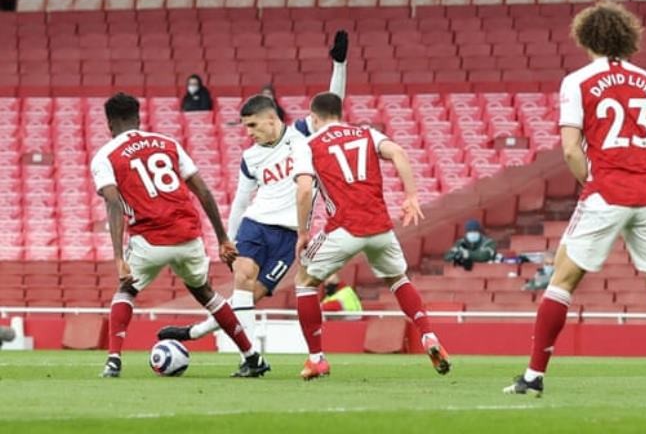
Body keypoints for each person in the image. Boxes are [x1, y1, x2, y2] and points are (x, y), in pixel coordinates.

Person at [503, 2, 646, 398]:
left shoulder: (578, 81)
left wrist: (595, 181)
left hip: (605, 192)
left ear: (585, 37)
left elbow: (571, 150)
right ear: (627, 36)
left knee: (562, 280)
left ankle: (534, 376)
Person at [158, 32, 349, 347]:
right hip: (255, 226)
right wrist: (227, 239)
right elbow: (241, 201)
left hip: (288, 236)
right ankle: (249, 359)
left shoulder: (303, 135)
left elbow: (332, 107)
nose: (248, 133)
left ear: (272, 120)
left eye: (253, 126)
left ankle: (193, 333)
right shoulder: (250, 157)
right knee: (242, 282)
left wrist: (339, 65)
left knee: (249, 298)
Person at [90, 93, 268, 378]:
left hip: (149, 240)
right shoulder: (167, 144)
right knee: (207, 294)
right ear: (138, 118)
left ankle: (113, 360)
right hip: (188, 236)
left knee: (127, 290)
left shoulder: (105, 156)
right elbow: (203, 190)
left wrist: (119, 258)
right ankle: (252, 357)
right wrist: (222, 238)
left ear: (109, 124)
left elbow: (112, 202)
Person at [293, 92, 451, 380]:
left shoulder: (308, 144)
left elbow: (304, 189)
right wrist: (411, 196)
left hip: (343, 226)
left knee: (304, 282)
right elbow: (399, 153)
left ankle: (316, 358)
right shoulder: (367, 133)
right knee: (398, 280)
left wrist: (303, 232)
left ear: (313, 118)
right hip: (380, 226)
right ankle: (428, 335)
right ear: (339, 113)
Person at [293, 30, 348, 137]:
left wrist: (339, 64)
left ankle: (339, 62)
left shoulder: (339, 132)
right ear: (315, 119)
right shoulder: (297, 133)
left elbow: (335, 100)